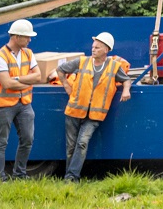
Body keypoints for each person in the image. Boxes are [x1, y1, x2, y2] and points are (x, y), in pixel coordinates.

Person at [51, 31, 131, 182]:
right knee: (70, 146)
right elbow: (60, 70)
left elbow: (126, 80)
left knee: (82, 143)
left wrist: (126, 90)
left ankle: (71, 176)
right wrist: (66, 85)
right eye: (93, 47)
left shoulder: (114, 66)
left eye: (97, 47)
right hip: (74, 110)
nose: (93, 49)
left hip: (95, 115)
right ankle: (70, 177)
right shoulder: (82, 62)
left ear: (106, 50)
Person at [0, 19, 43, 181]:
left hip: (24, 103)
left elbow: (38, 77)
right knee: (1, 143)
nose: (30, 40)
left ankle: (20, 174)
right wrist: (27, 82)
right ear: (16, 37)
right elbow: (6, 83)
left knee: (28, 139)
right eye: (27, 37)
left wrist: (17, 79)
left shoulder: (28, 53)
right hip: (3, 105)